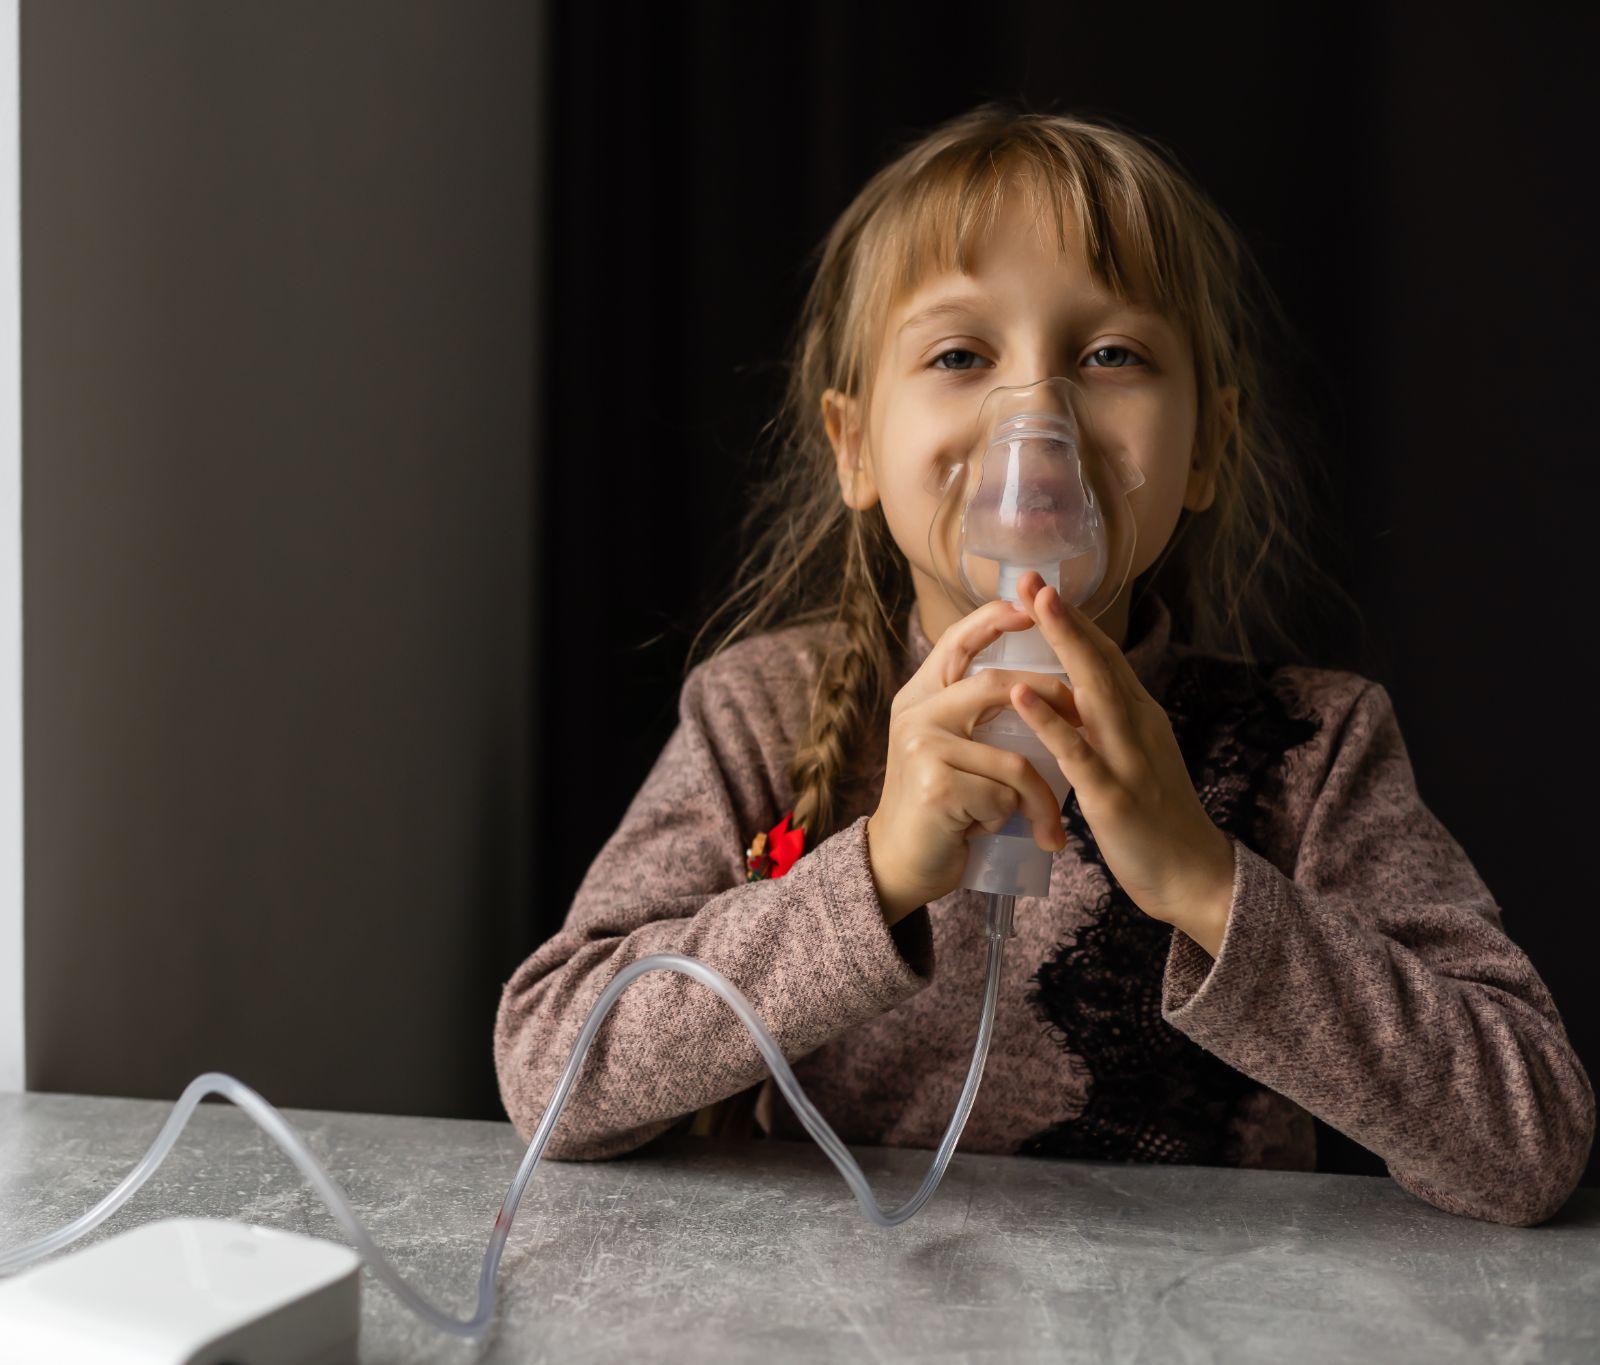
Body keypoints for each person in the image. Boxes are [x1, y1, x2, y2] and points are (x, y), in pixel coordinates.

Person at [492, 104, 1594, 1226]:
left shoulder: (1311, 746)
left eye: (1109, 354)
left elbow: (1527, 1140)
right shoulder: (761, 716)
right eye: (960, 354)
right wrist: (870, 877)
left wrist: (1206, 882)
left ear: (1206, 444)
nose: (1038, 411)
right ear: (854, 444)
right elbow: (547, 1072)